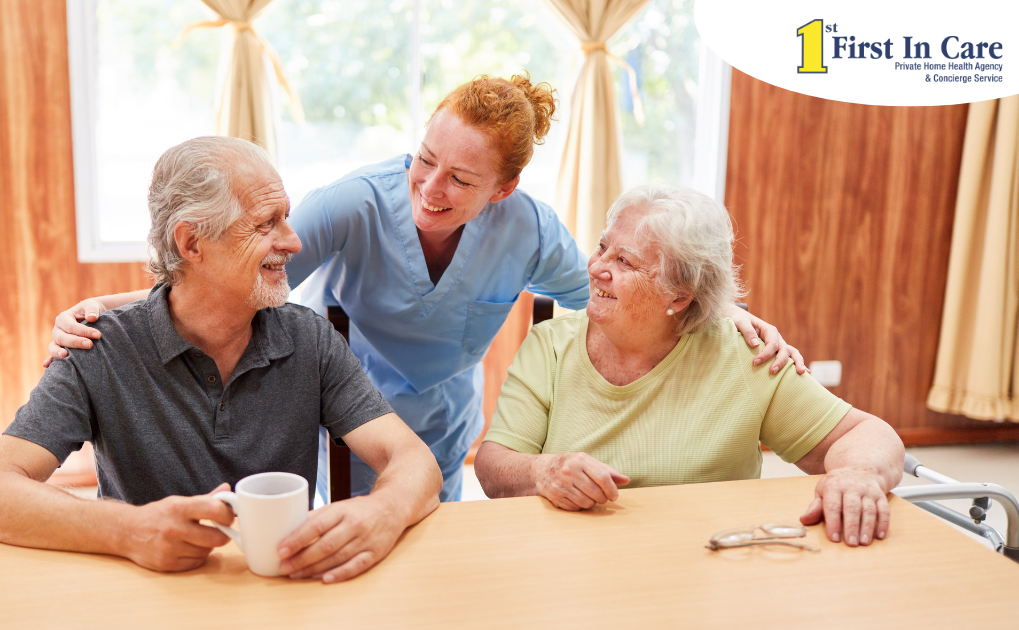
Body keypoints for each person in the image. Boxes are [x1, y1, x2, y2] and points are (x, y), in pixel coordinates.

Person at [43, 74, 806, 503]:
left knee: (426, 537)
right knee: (332, 527)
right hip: (339, 401)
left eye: (461, 179)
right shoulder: (353, 204)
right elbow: (236, 273)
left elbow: (618, 288)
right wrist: (110, 310)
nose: (430, 188)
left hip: (441, 419)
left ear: (503, 190)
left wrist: (727, 314)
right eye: (423, 159)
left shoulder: (530, 229)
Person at [0, 137, 442, 582]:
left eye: (286, 218)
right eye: (265, 223)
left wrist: (383, 512)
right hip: (144, 595)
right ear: (191, 243)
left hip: (281, 590)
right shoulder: (97, 348)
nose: (293, 241)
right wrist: (128, 529)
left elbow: (414, 460)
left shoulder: (308, 339)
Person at [474, 184, 904, 547]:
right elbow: (494, 466)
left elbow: (865, 433)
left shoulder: (743, 355)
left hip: (708, 564)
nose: (597, 268)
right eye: (603, 247)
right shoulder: (550, 347)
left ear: (679, 297)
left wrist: (857, 474)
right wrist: (542, 471)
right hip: (572, 560)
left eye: (625, 261)